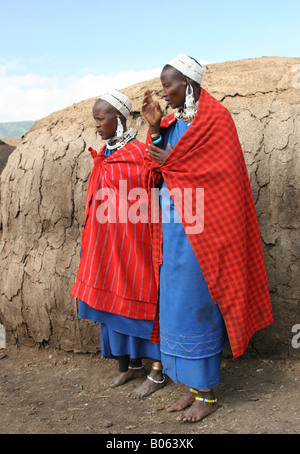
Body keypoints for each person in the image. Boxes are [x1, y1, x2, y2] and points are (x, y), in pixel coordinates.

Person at [142, 54, 273, 422]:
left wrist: (173, 161)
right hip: (171, 227)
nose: (165, 92)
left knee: (196, 304)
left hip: (202, 232)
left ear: (189, 83)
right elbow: (156, 167)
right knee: (174, 304)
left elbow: (218, 175)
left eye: (170, 84)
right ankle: (189, 387)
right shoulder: (171, 123)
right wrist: (154, 130)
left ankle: (208, 395)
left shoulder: (215, 120)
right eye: (163, 85)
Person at [71, 89, 165, 399]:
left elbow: (155, 188)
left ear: (119, 119)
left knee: (143, 298)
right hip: (107, 247)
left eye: (101, 118)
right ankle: (130, 365)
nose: (96, 124)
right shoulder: (106, 154)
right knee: (112, 301)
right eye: (95, 119)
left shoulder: (139, 154)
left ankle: (156, 370)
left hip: (135, 245)